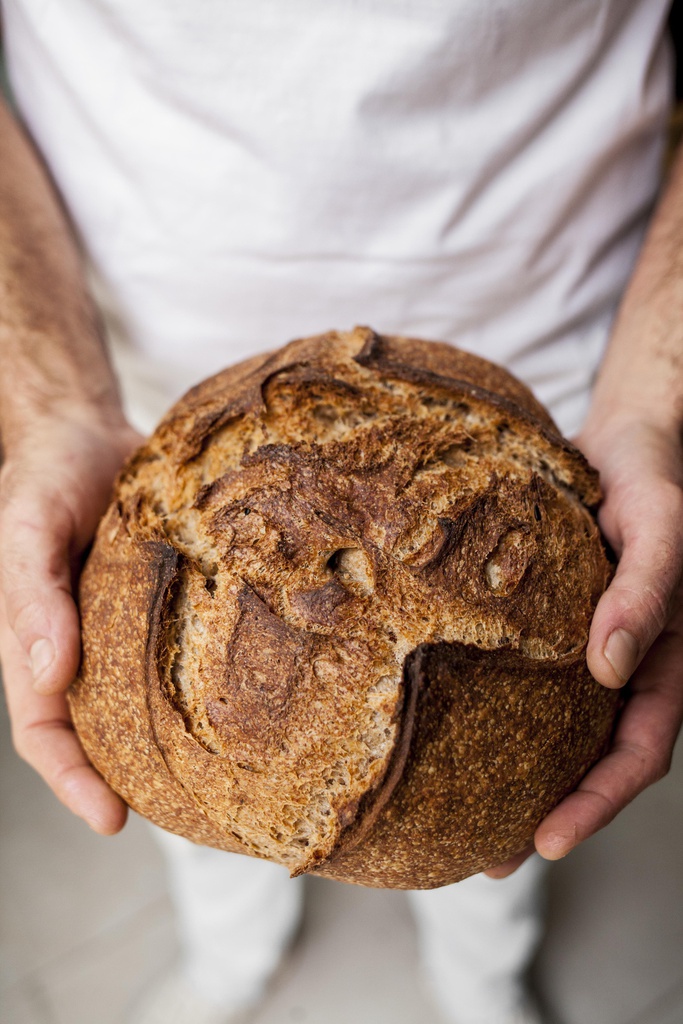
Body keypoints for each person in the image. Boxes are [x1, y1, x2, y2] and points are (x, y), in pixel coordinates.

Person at [1, 2, 682, 1023]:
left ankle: (484, 975)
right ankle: (234, 957)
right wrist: (48, 398)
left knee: (512, 819)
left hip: (562, 386)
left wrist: (651, 397)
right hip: (137, 392)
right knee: (197, 797)